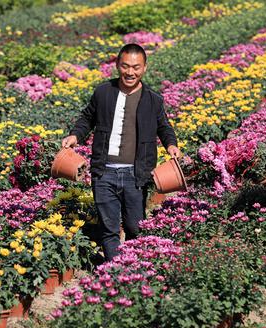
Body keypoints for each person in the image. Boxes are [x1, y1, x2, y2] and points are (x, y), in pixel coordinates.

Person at [61, 43, 181, 261]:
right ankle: (114, 272)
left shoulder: (153, 100)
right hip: (104, 171)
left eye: (136, 67)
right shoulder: (104, 92)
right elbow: (87, 118)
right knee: (109, 228)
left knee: (135, 227)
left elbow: (164, 126)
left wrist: (171, 144)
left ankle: (132, 268)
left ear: (144, 68)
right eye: (125, 66)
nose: (130, 72)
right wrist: (75, 136)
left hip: (136, 174)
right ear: (117, 65)